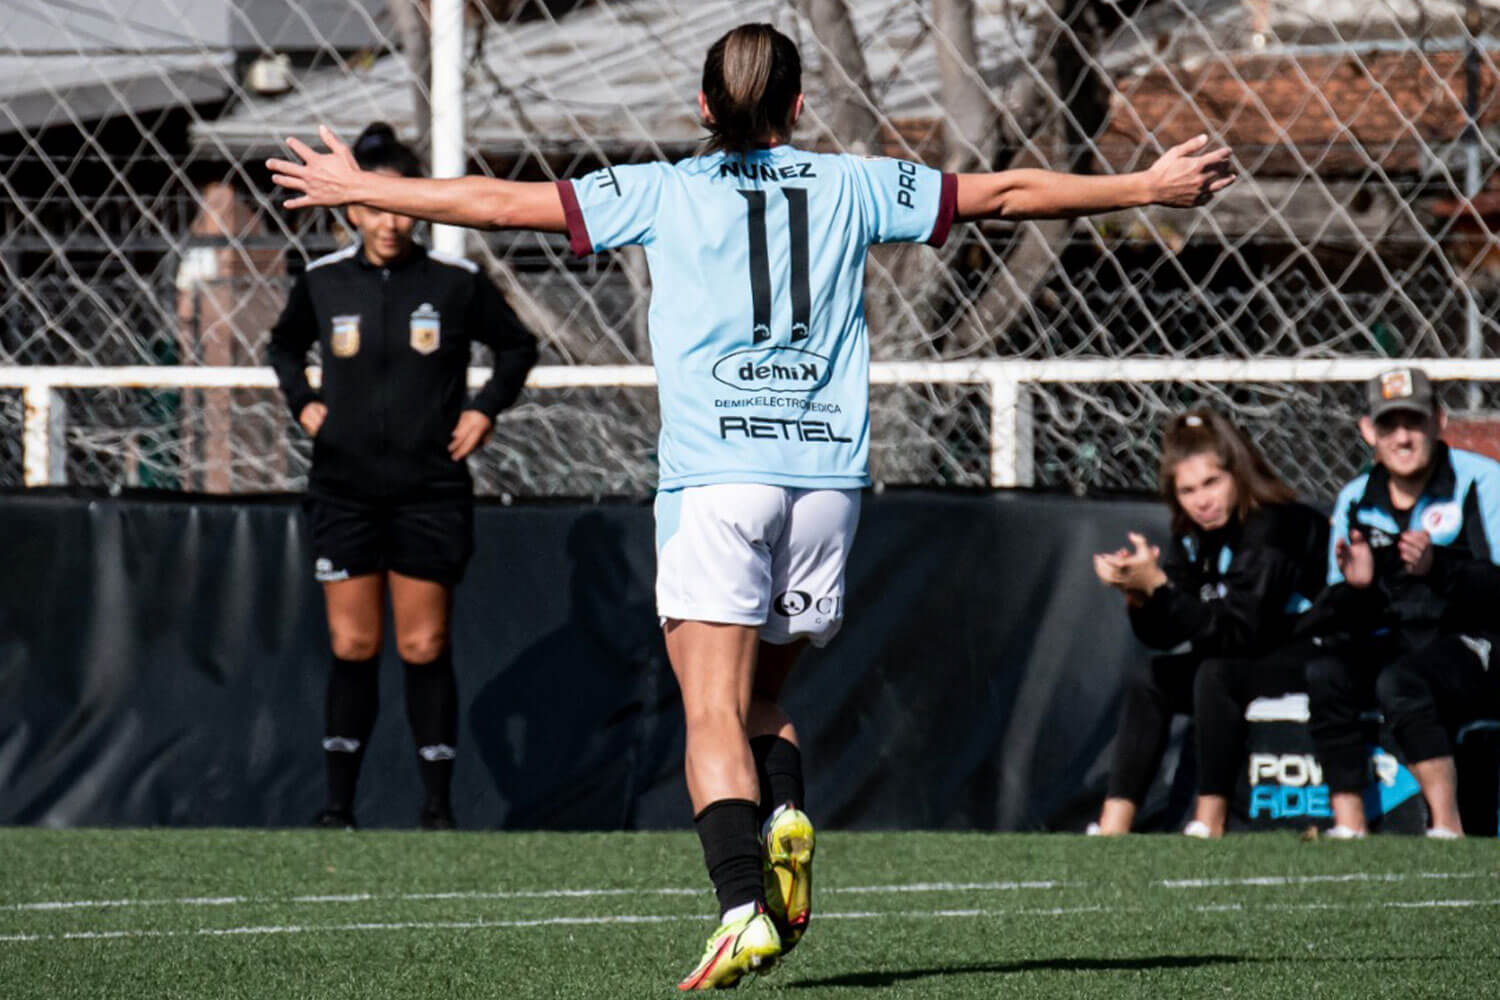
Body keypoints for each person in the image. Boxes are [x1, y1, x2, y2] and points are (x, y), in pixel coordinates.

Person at [266, 23, 1236, 989]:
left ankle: (740, 907)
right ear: (800, 106)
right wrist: (1146, 187)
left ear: (702, 109)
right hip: (825, 486)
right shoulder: (856, 183)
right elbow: (1010, 191)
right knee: (764, 698)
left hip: (719, 480)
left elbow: (493, 201)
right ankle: (784, 818)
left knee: (713, 712)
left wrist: (365, 188)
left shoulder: (664, 188)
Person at [266, 122, 539, 832]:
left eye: (400, 205)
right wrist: (305, 402)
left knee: (424, 645)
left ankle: (437, 809)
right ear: (350, 209)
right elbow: (283, 344)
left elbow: (517, 347)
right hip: (344, 491)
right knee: (353, 645)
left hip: (429, 491)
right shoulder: (323, 282)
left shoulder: (454, 283)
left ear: (417, 207)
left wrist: (484, 411)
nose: (388, 221)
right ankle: (337, 808)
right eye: (373, 205)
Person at [1090, 409, 1327, 837]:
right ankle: (1113, 826)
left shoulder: (1275, 526)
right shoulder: (1193, 536)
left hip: (1308, 654)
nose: (1202, 501)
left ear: (1238, 474)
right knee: (1151, 678)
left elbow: (1239, 632)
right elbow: (1168, 634)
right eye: (1187, 490)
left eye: (1212, 483)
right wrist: (1140, 595)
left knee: (1215, 674)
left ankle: (1209, 819)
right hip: (1244, 658)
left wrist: (1160, 588)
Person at [1303, 367, 1500, 839]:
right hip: (1395, 638)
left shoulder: (1482, 481)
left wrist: (1440, 568)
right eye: (1390, 425)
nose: (1404, 437)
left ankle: (1446, 824)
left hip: (1472, 640)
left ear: (1438, 421)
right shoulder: (1355, 498)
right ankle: (1349, 824)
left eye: (1414, 421)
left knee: (1403, 680)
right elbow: (1334, 618)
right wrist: (1355, 587)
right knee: (1326, 671)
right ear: (1369, 431)